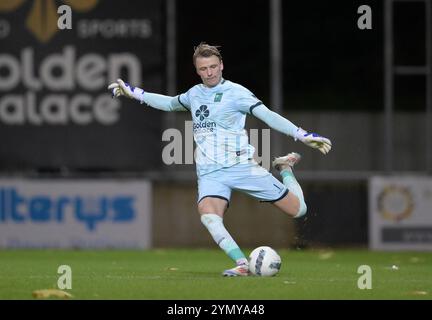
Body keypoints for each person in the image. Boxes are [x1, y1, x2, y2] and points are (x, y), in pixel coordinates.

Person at [108, 43, 332, 277]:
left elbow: (268, 116)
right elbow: (170, 103)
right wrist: (135, 93)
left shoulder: (237, 93)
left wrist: (302, 134)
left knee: (298, 210)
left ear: (222, 65)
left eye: (213, 67)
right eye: (203, 68)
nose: (210, 72)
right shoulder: (194, 94)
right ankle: (242, 264)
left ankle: (285, 168)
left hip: (242, 167)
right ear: (197, 70)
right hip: (210, 172)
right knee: (209, 216)